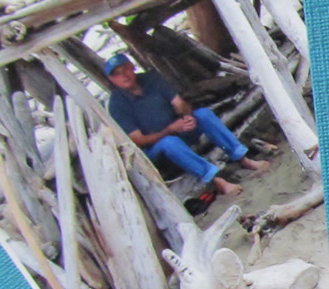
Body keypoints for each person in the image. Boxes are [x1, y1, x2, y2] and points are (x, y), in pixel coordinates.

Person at [104, 53, 267, 196]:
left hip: (178, 130)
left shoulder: (152, 79)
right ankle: (216, 180)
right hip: (157, 149)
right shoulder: (117, 105)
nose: (124, 75)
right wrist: (169, 130)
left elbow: (180, 103)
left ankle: (242, 157)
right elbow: (138, 140)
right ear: (111, 80)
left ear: (132, 67)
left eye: (125, 69)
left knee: (203, 114)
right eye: (117, 74)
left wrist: (187, 116)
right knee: (169, 142)